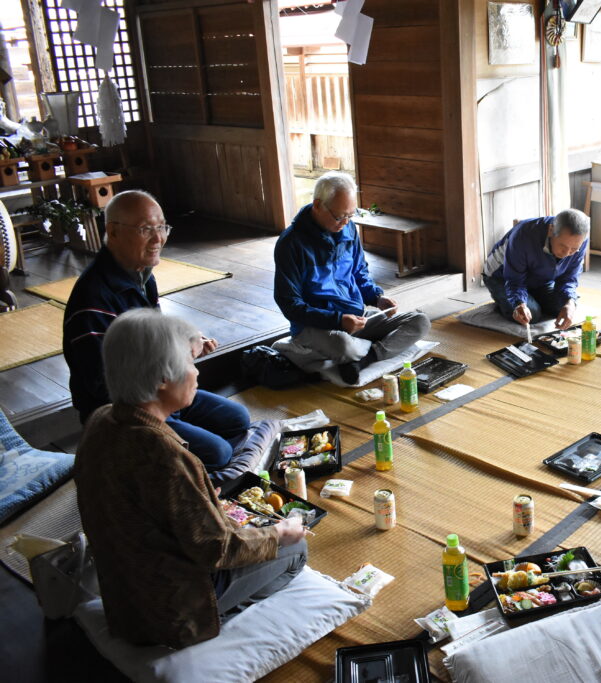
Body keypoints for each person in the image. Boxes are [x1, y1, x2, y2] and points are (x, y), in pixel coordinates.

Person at [75, 309, 307, 649]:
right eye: (189, 363)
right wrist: (280, 533)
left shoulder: (101, 419)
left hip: (123, 597)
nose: (197, 373)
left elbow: (134, 504)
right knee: (297, 550)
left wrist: (197, 497)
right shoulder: (164, 453)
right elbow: (218, 548)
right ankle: (212, 623)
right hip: (169, 610)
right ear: (161, 381)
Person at [63, 190, 253, 471]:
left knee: (238, 418)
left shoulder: (141, 276)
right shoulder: (92, 300)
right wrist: (173, 363)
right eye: (145, 229)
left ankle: (174, 434)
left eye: (162, 227)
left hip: (160, 393)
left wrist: (184, 342)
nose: (158, 238)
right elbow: (104, 388)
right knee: (218, 453)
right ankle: (129, 453)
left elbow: (152, 340)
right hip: (124, 412)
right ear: (112, 232)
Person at [274, 171, 430, 384]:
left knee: (420, 322)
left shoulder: (349, 231)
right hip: (318, 326)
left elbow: (359, 273)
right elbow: (289, 304)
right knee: (343, 346)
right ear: (318, 205)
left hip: (357, 317)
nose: (345, 222)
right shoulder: (291, 243)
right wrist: (336, 320)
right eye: (339, 216)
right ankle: (362, 351)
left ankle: (365, 359)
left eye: (350, 215)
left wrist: (376, 298)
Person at [482, 209, 589, 330]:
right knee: (532, 314)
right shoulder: (523, 235)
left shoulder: (581, 239)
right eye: (562, 246)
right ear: (551, 230)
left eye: (574, 249)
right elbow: (514, 281)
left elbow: (569, 277)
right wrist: (519, 304)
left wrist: (570, 302)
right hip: (501, 276)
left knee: (564, 307)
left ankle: (531, 298)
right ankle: (505, 302)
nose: (567, 253)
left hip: (540, 278)